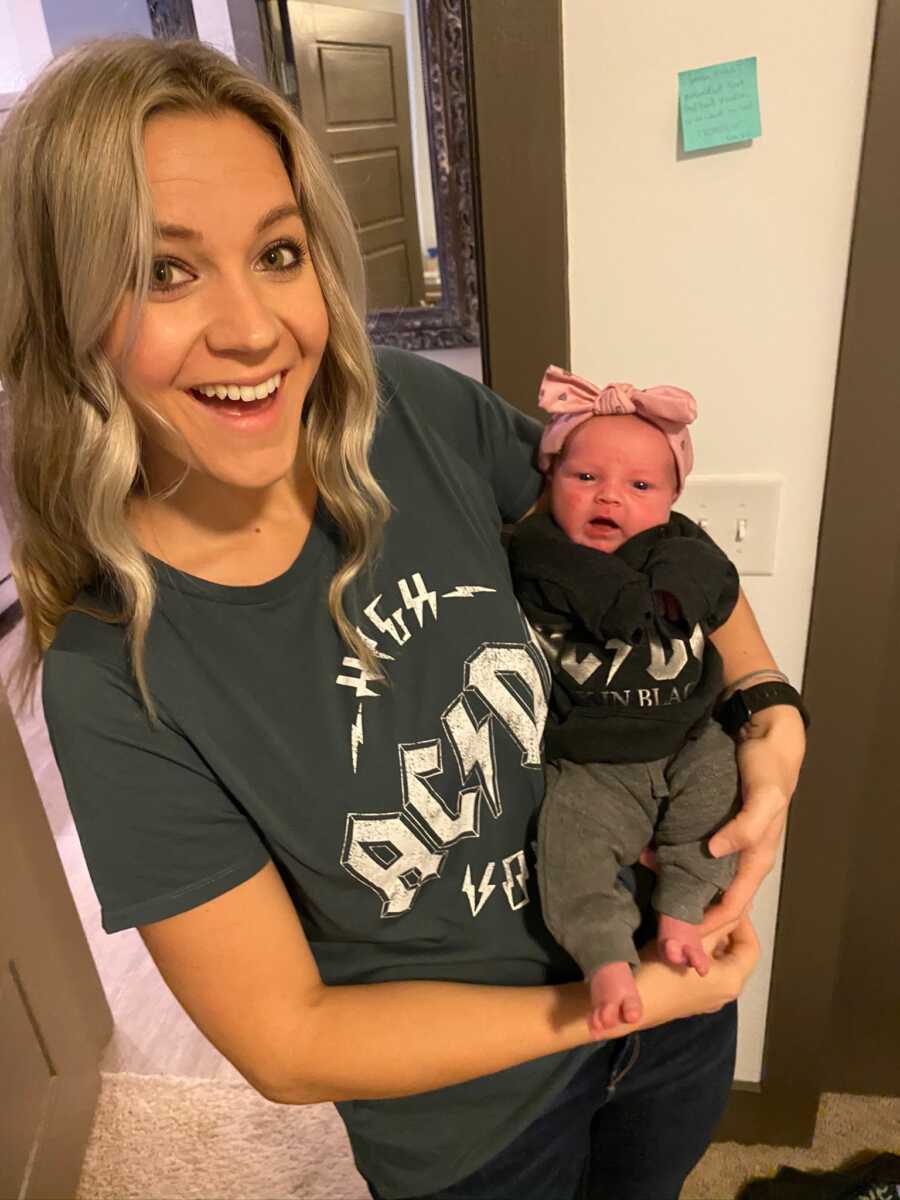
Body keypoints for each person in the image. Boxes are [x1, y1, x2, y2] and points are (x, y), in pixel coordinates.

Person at [0, 37, 805, 1200]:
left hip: (664, 1004)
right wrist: (600, 1005)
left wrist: (768, 703)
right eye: (163, 272)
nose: (252, 328)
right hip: (476, 1131)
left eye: (278, 253)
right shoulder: (114, 679)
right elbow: (290, 1043)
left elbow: (652, 542)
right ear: (63, 308)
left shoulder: (414, 416)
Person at [509, 368, 757, 1036]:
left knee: (719, 793)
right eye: (583, 478)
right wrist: (644, 604)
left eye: (640, 485)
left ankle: (684, 909)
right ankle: (606, 961)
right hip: (592, 762)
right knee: (566, 850)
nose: (609, 497)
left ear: (673, 497)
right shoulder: (538, 552)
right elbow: (615, 609)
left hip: (687, 740)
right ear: (549, 481)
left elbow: (715, 586)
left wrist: (676, 591)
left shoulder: (684, 547)